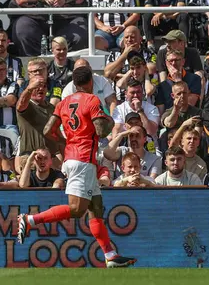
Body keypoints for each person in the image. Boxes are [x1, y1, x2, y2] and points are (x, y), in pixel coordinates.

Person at [18, 66, 136, 268]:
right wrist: (109, 120)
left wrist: (65, 141)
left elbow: (48, 130)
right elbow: (99, 130)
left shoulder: (63, 103)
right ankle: (30, 220)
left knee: (95, 207)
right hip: (83, 159)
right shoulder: (91, 100)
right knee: (76, 209)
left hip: (73, 157)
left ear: (74, 83)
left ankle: (110, 255)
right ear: (90, 82)